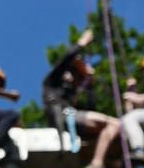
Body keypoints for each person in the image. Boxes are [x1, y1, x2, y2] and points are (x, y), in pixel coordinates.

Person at [79, 48, 144, 168]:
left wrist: (132, 96)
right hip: (141, 119)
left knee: (128, 119)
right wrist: (130, 92)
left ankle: (139, 150)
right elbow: (131, 110)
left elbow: (143, 101)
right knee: (119, 125)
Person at [40, 27, 114, 155]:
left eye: (77, 74)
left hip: (72, 121)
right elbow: (64, 61)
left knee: (108, 128)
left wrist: (90, 85)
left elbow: (91, 109)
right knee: (112, 123)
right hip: (60, 118)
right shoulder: (51, 84)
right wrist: (81, 43)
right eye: (70, 71)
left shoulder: (72, 98)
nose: (72, 76)